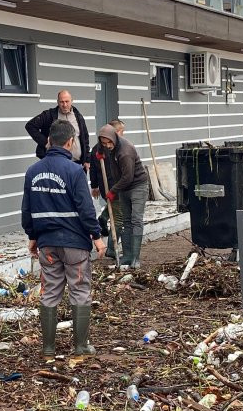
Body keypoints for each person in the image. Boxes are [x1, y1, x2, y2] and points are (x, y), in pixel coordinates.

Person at [22, 120, 106, 357]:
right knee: (79, 289)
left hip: (47, 243)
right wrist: (97, 236)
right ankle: (80, 346)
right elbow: (86, 209)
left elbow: (26, 209)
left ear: (49, 141)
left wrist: (32, 235)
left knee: (49, 292)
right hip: (74, 244)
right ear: (70, 142)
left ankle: (48, 347)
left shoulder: (32, 171)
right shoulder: (75, 171)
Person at [92, 124, 149, 268]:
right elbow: (100, 146)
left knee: (136, 220)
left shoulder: (125, 151)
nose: (107, 146)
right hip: (123, 187)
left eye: (108, 143)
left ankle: (135, 258)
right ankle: (128, 256)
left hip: (137, 186)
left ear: (114, 138)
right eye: (104, 143)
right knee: (126, 221)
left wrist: (113, 190)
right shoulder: (106, 144)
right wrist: (99, 152)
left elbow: (128, 177)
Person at [25, 90, 91, 170]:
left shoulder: (78, 116)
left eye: (67, 101)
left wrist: (87, 159)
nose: (65, 105)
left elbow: (85, 138)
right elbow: (30, 126)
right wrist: (46, 142)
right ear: (57, 102)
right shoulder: (49, 115)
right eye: (61, 102)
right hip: (56, 165)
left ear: (72, 101)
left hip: (77, 164)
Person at [91, 119, 127, 256]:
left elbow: (93, 170)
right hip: (115, 187)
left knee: (114, 209)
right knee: (118, 218)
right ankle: (112, 249)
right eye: (122, 132)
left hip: (107, 187)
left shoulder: (97, 148)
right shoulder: (112, 148)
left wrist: (95, 186)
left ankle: (103, 217)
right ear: (116, 132)